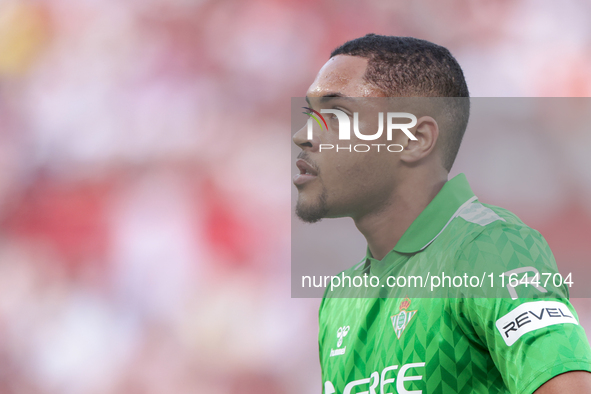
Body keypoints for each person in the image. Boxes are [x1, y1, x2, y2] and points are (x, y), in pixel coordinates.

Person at [292, 34, 591, 394]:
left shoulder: (490, 249)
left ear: (414, 140)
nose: (303, 135)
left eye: (337, 114)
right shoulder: (340, 296)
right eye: (311, 114)